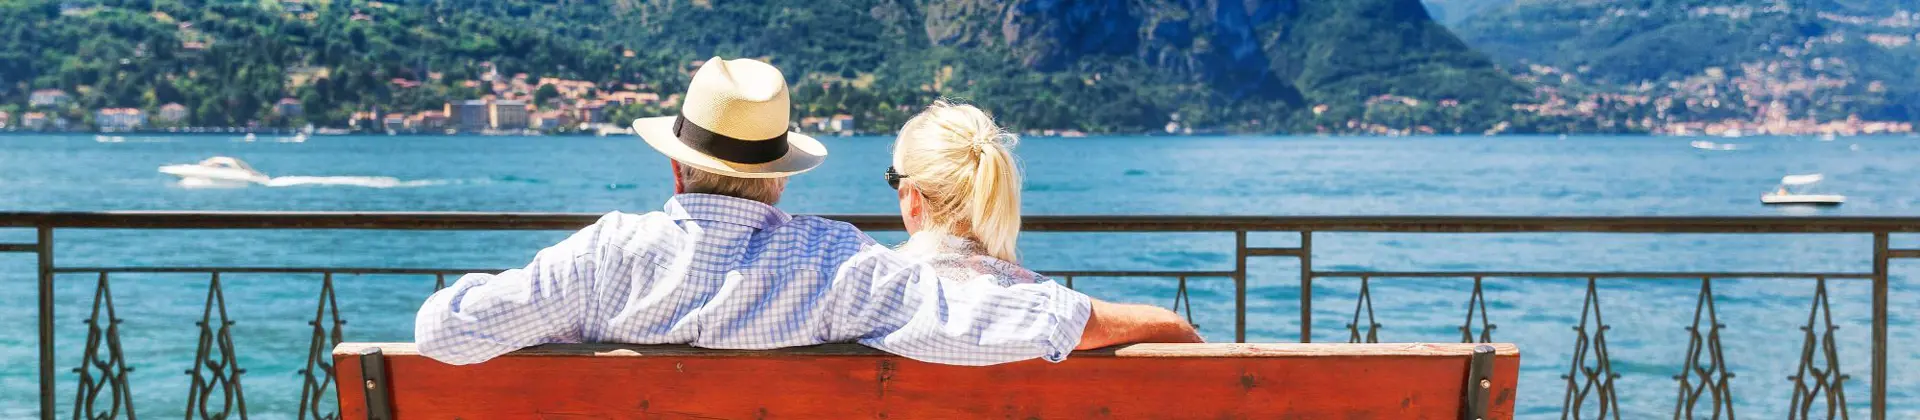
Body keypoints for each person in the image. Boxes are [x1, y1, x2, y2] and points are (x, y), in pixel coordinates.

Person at [414, 57, 1200, 367]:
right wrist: (1157, 323)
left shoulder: (601, 256)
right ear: (780, 178)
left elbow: (442, 333)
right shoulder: (835, 265)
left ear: (675, 164)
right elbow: (984, 320)